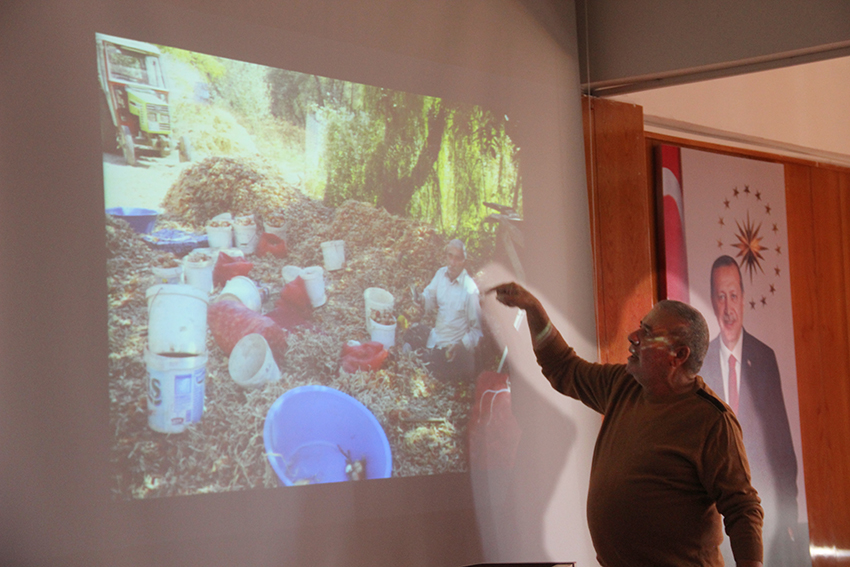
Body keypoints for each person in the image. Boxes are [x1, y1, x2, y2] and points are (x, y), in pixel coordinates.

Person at [490, 281, 764, 567]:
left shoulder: (712, 420)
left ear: (679, 355)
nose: (633, 337)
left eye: (648, 333)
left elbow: (742, 508)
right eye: (641, 327)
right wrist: (533, 310)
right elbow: (563, 367)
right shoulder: (623, 385)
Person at [702, 255, 805, 566]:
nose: (728, 307)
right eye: (721, 296)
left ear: (744, 299)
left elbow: (782, 445)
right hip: (716, 522)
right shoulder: (700, 363)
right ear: (712, 301)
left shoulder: (765, 358)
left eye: (733, 296)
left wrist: (789, 513)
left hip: (765, 519)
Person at [406, 239, 482, 381]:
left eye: (457, 258)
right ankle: (417, 354)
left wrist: (460, 345)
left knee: (429, 363)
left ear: (464, 261)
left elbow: (477, 331)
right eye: (450, 256)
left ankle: (427, 360)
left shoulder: (470, 290)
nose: (452, 262)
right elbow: (430, 296)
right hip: (436, 336)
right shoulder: (441, 274)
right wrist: (421, 299)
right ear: (446, 256)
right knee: (413, 331)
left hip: (452, 348)